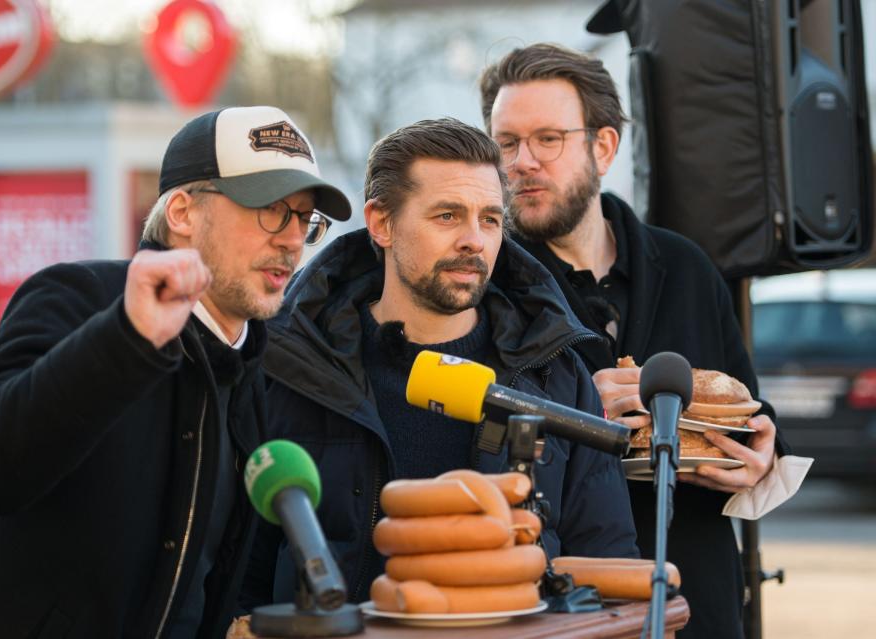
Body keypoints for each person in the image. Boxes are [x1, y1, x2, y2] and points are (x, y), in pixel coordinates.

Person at [0, 106, 351, 639]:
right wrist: (125, 338)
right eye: (270, 209)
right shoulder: (79, 299)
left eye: (304, 219)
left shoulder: (251, 372)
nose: (291, 239)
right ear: (183, 213)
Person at [240, 117, 638, 609]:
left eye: (490, 219)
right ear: (381, 223)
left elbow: (608, 559)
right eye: (447, 216)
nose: (474, 240)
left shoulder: (554, 372)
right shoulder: (292, 365)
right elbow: (241, 574)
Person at [479, 44, 794, 638]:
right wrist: (575, 410)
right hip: (558, 604)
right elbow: (463, 447)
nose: (520, 162)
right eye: (506, 142)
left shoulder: (688, 265)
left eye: (547, 139)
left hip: (700, 595)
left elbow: (748, 408)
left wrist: (762, 452)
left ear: (604, 147)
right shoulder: (488, 286)